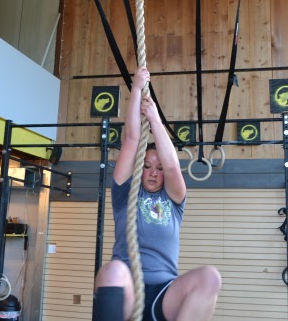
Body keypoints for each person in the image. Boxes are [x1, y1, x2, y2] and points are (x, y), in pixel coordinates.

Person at [93, 67, 221, 321]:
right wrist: (136, 89)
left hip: (165, 293)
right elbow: (131, 140)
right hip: (128, 289)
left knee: (210, 277)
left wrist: (155, 119)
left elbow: (172, 165)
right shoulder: (125, 193)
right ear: (139, 169)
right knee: (112, 271)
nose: (153, 172)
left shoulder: (174, 200)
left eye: (159, 169)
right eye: (147, 166)